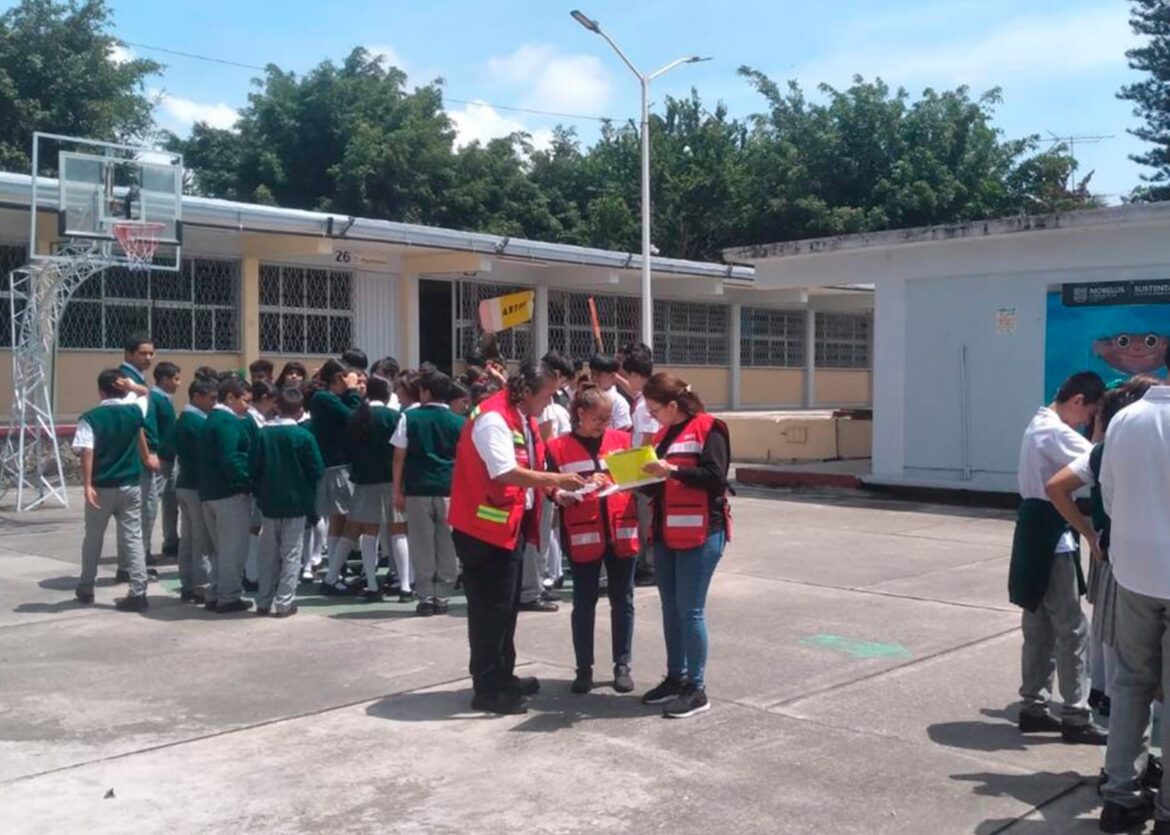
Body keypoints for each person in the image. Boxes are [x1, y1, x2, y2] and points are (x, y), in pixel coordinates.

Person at [449, 363, 586, 715]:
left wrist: (556, 493)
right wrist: (556, 481)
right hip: (483, 531)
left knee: (506, 607)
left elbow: (535, 464)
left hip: (508, 527)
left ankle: (503, 676)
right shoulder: (494, 419)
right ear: (525, 393)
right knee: (489, 612)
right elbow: (505, 472)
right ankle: (486, 688)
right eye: (546, 396)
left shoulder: (522, 417)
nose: (549, 403)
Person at [1008, 371, 1107, 744]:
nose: (1085, 423)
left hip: (1031, 534)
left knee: (1038, 626)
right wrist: (1104, 428)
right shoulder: (1056, 433)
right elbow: (1102, 463)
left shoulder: (1038, 424)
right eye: (1088, 414)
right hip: (1052, 538)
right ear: (1078, 401)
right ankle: (1076, 715)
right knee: (1073, 628)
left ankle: (1033, 706)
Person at [1096, 359, 1170, 833]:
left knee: (1130, 684)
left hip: (1135, 574)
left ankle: (1120, 798)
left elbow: (1109, 496)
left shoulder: (1126, 419)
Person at [639, 373, 732, 719]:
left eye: (654, 410)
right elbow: (659, 485)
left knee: (690, 610)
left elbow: (715, 478)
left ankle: (696, 688)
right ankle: (675, 677)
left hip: (702, 532)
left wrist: (672, 471)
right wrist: (632, 478)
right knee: (670, 608)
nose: (651, 416)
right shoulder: (662, 435)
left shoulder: (710, 428)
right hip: (667, 533)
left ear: (672, 405)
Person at [547, 384, 641, 695]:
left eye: (608, 418)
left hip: (621, 531)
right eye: (598, 418)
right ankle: (583, 669)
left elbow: (634, 480)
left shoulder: (622, 441)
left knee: (623, 600)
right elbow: (549, 486)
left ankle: (622, 665)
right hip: (583, 534)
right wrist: (561, 494)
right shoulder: (558, 448)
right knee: (584, 603)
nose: (604, 424)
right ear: (580, 413)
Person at [72, 369, 158, 611]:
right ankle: (138, 590)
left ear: (100, 391)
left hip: (102, 485)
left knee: (93, 537)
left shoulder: (91, 418)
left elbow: (86, 451)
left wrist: (87, 485)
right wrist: (132, 386)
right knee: (133, 537)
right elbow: (145, 393)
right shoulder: (134, 412)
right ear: (122, 388)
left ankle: (86, 586)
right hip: (130, 484)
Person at [392, 370, 465, 616]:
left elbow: (399, 456)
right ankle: (443, 596)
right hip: (449, 491)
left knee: (421, 544)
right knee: (448, 544)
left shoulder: (408, 418)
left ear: (425, 392)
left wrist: (397, 490)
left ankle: (425, 596)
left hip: (417, 490)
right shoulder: (459, 422)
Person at [250, 387, 324, 618]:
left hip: (269, 501)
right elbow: (316, 469)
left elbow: (253, 467)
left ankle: (263, 600)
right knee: (291, 553)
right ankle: (284, 602)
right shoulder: (303, 436)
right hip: (296, 501)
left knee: (268, 553)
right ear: (300, 410)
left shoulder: (262, 434)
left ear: (277, 407)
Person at [330, 375, 399, 600]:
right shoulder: (394, 416)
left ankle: (370, 583)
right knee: (397, 529)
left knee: (367, 530)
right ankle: (403, 581)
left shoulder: (355, 416)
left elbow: (348, 447)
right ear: (387, 394)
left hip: (362, 479)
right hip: (389, 479)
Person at [199, 376, 255, 614]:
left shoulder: (213, 419)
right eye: (245, 401)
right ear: (230, 398)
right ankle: (229, 596)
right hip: (229, 494)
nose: (248, 406)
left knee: (220, 549)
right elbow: (231, 459)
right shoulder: (227, 422)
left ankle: (215, 593)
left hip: (211, 493)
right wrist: (247, 481)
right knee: (233, 549)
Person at [310, 359, 363, 591]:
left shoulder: (328, 399)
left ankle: (335, 573)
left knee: (339, 520)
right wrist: (352, 392)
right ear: (338, 378)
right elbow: (354, 417)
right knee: (350, 519)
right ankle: (332, 575)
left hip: (338, 465)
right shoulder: (324, 398)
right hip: (336, 468)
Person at [119, 332, 160, 580]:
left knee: (146, 509)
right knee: (141, 510)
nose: (148, 358)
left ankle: (135, 562)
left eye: (150, 353)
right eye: (142, 353)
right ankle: (131, 566)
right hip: (139, 456)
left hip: (144, 454)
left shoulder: (137, 379)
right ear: (128, 354)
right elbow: (134, 424)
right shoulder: (127, 381)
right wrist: (146, 456)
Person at [173, 376, 217, 604]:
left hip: (186, 484)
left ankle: (188, 583)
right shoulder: (195, 422)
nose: (214, 403)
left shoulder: (187, 419)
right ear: (197, 397)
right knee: (200, 540)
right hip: (195, 486)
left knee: (189, 538)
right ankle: (200, 585)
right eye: (211, 398)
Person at [623, 347, 659, 587]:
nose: (627, 381)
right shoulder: (645, 398)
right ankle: (647, 564)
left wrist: (635, 470)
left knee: (646, 518)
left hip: (643, 467)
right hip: (640, 464)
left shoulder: (646, 403)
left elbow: (647, 437)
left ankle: (651, 566)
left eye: (628, 376)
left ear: (636, 375)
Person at [149, 361, 182, 561]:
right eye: (175, 379)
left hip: (171, 459)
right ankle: (143, 548)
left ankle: (171, 540)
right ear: (164, 379)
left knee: (171, 501)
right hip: (160, 459)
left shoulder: (166, 399)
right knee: (152, 503)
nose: (179, 383)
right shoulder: (154, 399)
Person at [588, 354, 632, 431]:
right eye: (593, 374)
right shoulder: (585, 397)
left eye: (599, 375)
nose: (594, 378)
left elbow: (622, 432)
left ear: (612, 376)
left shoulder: (619, 403)